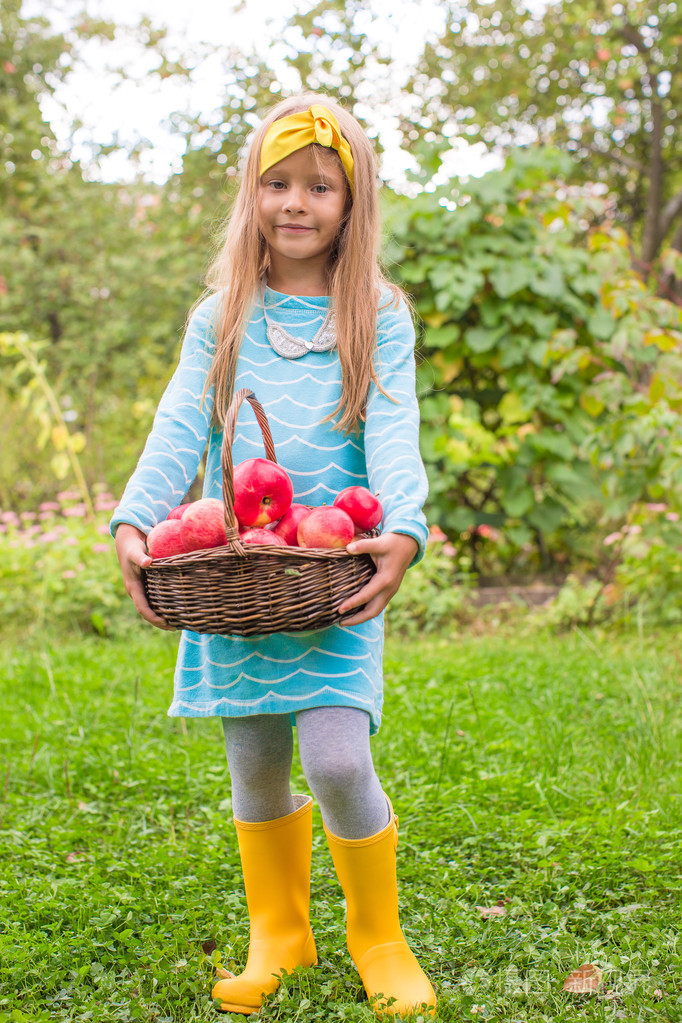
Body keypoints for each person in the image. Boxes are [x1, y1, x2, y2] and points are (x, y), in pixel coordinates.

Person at [111, 94, 436, 1018]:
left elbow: (397, 432)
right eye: (278, 183)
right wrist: (138, 518)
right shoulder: (224, 313)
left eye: (321, 187)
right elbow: (180, 423)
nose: (297, 202)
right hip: (239, 571)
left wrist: (402, 530)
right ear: (253, 194)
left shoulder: (377, 313)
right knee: (253, 756)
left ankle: (379, 935)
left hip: (330, 575)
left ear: (352, 202)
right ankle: (280, 933)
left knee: (335, 756)